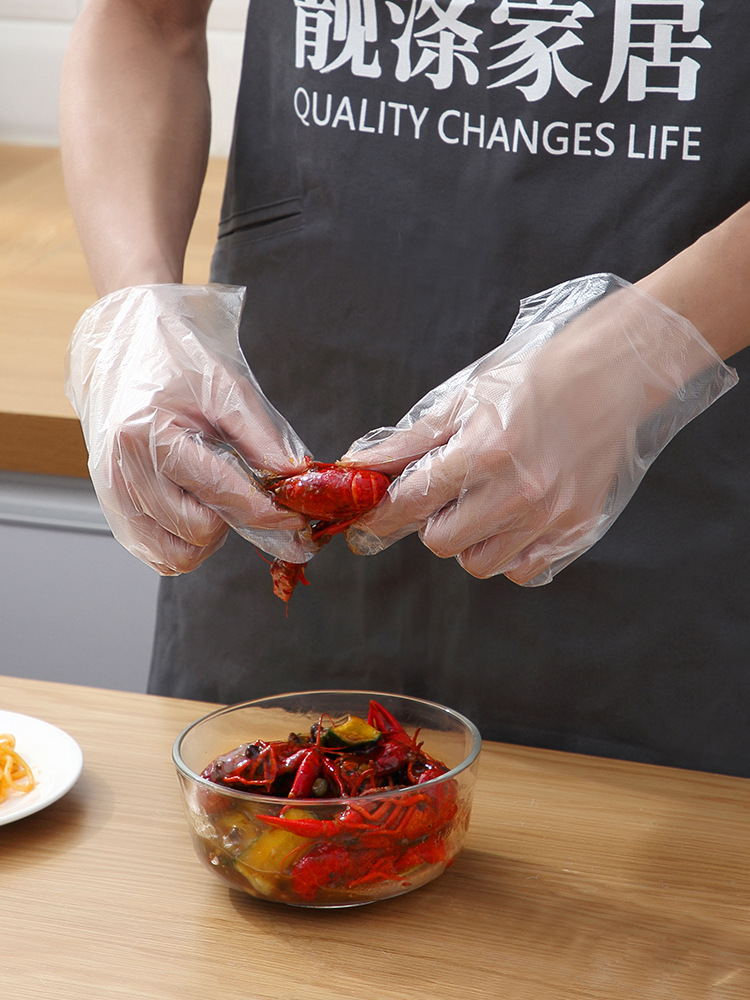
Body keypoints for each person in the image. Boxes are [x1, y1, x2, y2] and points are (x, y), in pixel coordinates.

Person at [60, 1, 750, 776]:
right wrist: (134, 309)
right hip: (281, 440)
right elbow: (147, 19)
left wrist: (642, 351)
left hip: (661, 453)